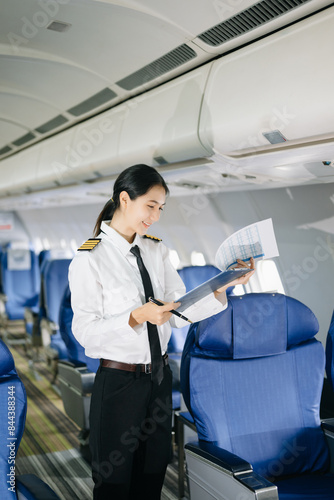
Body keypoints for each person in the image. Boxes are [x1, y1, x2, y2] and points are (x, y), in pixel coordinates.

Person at [68, 164, 255, 500]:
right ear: (125, 199)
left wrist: (223, 286)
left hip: (159, 378)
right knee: (114, 480)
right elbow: (85, 333)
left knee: (153, 471)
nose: (154, 217)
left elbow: (180, 311)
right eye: (149, 206)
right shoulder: (89, 258)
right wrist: (136, 316)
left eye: (160, 209)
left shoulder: (156, 249)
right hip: (119, 382)